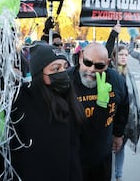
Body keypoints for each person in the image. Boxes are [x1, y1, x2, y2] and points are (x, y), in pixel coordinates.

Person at [9, 42, 85, 180]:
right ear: (39, 73)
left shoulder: (70, 101)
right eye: (56, 69)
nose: (62, 72)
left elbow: (74, 150)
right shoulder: (23, 99)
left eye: (64, 67)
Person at [67, 42, 129, 181]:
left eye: (99, 66)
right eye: (88, 62)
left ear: (108, 63)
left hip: (102, 156)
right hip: (73, 157)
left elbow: (124, 107)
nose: (92, 69)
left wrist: (118, 134)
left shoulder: (115, 80)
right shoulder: (67, 80)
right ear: (81, 56)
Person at [110, 44, 140, 181]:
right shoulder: (110, 73)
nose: (123, 57)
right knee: (111, 149)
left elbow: (133, 98)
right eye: (120, 54)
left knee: (120, 149)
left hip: (127, 118)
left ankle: (119, 175)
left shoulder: (129, 73)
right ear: (114, 56)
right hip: (113, 117)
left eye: (125, 55)